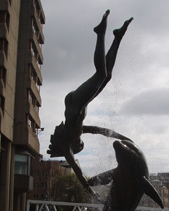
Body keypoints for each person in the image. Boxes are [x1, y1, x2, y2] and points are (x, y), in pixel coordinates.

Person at [48, 10, 133, 197]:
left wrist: (89, 191)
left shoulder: (69, 143)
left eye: (80, 146)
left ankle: (100, 33)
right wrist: (123, 137)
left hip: (74, 103)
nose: (80, 144)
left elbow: (78, 172)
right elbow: (100, 130)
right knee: (107, 76)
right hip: (80, 102)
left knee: (100, 75)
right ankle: (117, 37)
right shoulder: (79, 130)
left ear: (76, 146)